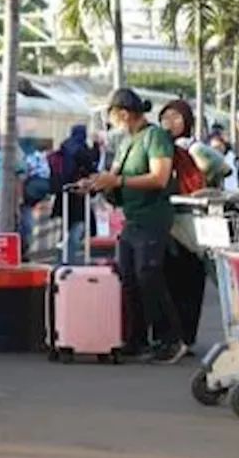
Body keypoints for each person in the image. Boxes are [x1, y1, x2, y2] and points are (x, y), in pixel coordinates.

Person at [83, 88, 187, 365]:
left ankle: (170, 337)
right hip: (132, 219)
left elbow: (159, 178)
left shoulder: (155, 137)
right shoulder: (128, 142)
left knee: (148, 274)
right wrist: (96, 183)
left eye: (114, 117)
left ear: (124, 114)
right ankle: (136, 337)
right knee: (128, 277)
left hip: (152, 218)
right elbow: (114, 175)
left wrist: (118, 183)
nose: (113, 124)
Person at [158, 99, 219, 352]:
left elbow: (217, 169)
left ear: (188, 121)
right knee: (168, 280)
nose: (170, 122)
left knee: (191, 279)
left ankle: (186, 336)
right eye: (166, 117)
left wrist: (194, 149)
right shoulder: (157, 146)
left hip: (193, 222)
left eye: (176, 117)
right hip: (165, 223)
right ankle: (172, 336)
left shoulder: (195, 148)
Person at [51, 125, 99, 265]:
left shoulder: (64, 146)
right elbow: (91, 166)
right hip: (78, 194)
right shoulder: (81, 149)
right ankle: (70, 258)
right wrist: (96, 147)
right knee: (78, 225)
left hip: (64, 193)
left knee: (66, 227)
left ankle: (62, 258)